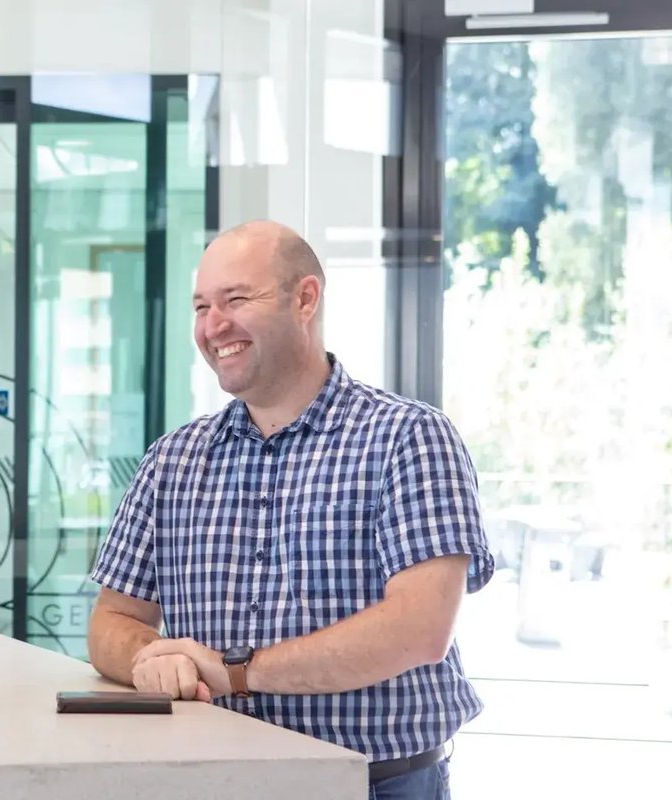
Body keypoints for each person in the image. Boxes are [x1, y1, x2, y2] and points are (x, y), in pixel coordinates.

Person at [87, 221, 493, 799]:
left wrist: (234, 671)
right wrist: (151, 659)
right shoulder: (171, 461)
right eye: (201, 307)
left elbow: (419, 630)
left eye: (236, 299)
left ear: (305, 299)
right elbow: (112, 620)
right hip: (213, 781)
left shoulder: (409, 438)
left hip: (376, 784)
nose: (213, 326)